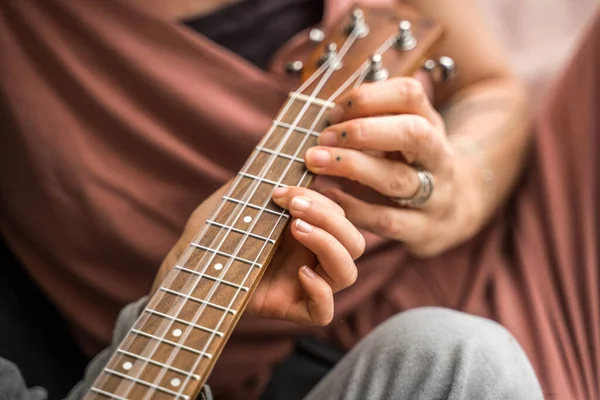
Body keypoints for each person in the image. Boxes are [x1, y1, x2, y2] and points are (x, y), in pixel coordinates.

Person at [0, 0, 598, 399]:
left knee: (463, 354)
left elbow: (489, 87)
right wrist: (175, 294)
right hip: (240, 356)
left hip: (501, 263)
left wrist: (460, 186)